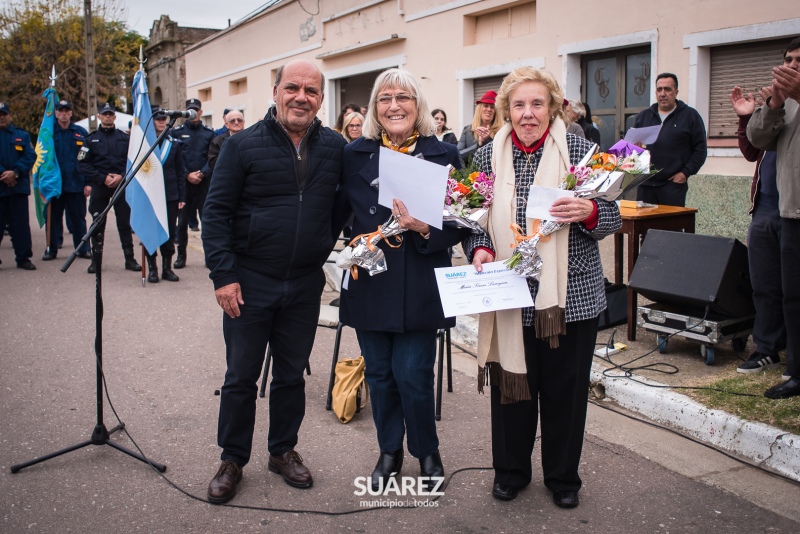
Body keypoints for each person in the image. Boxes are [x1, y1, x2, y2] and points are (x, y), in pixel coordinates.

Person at [462, 67, 621, 507]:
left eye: (537, 104)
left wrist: (588, 210)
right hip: (509, 293)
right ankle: (511, 471)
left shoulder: (581, 151)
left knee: (564, 394)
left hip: (568, 298)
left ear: (553, 107)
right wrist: (478, 248)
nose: (528, 114)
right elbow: (473, 222)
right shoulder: (485, 157)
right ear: (505, 111)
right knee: (512, 389)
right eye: (518, 105)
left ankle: (563, 479)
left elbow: (613, 218)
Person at [202, 59, 345, 504]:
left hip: (304, 285)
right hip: (249, 283)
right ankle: (232, 458)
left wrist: (321, 246)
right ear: (276, 90)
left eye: (311, 91)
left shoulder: (336, 148)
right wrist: (224, 276)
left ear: (321, 98)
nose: (301, 97)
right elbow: (216, 213)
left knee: (290, 376)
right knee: (241, 376)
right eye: (293, 88)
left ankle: (282, 450)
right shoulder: (241, 146)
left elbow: (341, 208)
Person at [336, 68, 466, 493]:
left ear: (418, 105)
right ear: (375, 107)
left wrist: (425, 228)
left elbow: (462, 222)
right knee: (379, 374)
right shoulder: (353, 153)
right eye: (385, 98)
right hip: (372, 279)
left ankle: (426, 451)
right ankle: (389, 450)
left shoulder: (444, 154)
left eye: (404, 97)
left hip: (422, 283)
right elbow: (336, 213)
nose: (395, 105)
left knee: (412, 372)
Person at [747, 36, 800, 399]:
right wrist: (775, 104)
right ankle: (793, 367)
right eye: (789, 60)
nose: (792, 66)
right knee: (786, 294)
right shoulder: (786, 102)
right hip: (782, 208)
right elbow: (756, 140)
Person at [730, 85, 785, 375]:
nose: (791, 67)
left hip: (793, 209)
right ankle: (767, 350)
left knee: (793, 285)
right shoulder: (770, 108)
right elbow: (752, 151)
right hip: (764, 207)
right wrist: (746, 118)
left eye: (798, 62)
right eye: (788, 61)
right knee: (763, 284)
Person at [76, 103, 141, 274]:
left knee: (124, 224)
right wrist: (103, 178)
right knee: (97, 224)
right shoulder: (90, 139)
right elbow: (83, 164)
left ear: (115, 116)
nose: (108, 117)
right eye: (104, 114)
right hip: (100, 186)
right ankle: (95, 262)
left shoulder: (124, 138)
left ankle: (130, 259)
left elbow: (133, 161)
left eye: (110, 114)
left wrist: (121, 176)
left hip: (121, 185)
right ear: (99, 116)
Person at [632, 73, 707, 207]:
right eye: (659, 89)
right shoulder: (643, 117)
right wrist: (635, 150)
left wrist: (685, 173)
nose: (663, 94)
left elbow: (700, 150)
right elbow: (631, 148)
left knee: (670, 227)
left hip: (672, 186)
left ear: (676, 92)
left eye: (667, 89)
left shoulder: (690, 116)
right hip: (645, 186)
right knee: (644, 227)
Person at [43, 100, 91, 261]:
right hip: (55, 184)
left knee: (78, 218)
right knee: (52, 219)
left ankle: (82, 248)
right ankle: (51, 248)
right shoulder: (48, 133)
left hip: (76, 183)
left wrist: (88, 182)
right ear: (55, 113)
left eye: (66, 111)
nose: (63, 114)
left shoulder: (80, 132)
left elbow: (88, 159)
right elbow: (42, 159)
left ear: (71, 113)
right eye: (60, 111)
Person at [144, 107, 186, 284]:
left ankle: (167, 268)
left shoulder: (173, 144)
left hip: (170, 195)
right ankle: (152, 269)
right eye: (158, 119)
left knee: (168, 232)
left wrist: (182, 196)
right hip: (150, 196)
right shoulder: (145, 144)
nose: (161, 121)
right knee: (151, 233)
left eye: (164, 119)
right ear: (151, 121)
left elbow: (180, 172)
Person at [173, 98, 215, 268]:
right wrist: (186, 174)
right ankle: (181, 256)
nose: (194, 113)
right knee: (182, 223)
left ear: (201, 112)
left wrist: (202, 173)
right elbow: (175, 159)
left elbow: (212, 157)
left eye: (196, 110)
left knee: (208, 222)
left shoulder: (209, 133)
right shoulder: (176, 133)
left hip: (204, 183)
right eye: (190, 110)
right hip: (185, 184)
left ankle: (209, 257)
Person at [0, 102, 37, 270]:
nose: (2, 117)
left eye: (4, 114)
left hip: (18, 188)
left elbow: (30, 156)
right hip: (0, 187)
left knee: (20, 226)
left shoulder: (22, 135)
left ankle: (23, 258)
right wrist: (4, 174)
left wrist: (15, 172)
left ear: (10, 115)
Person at [458, 90, 502, 163]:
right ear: (479, 109)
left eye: (492, 107)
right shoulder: (468, 130)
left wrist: (487, 140)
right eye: (486, 106)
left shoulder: (501, 132)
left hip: (492, 174)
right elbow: (458, 155)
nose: (489, 109)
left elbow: (500, 156)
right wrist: (478, 144)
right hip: (470, 173)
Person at [208, 109, 245, 174]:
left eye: (239, 120)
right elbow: (213, 163)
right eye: (232, 121)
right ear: (227, 124)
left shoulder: (252, 138)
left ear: (243, 122)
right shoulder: (217, 142)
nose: (236, 123)